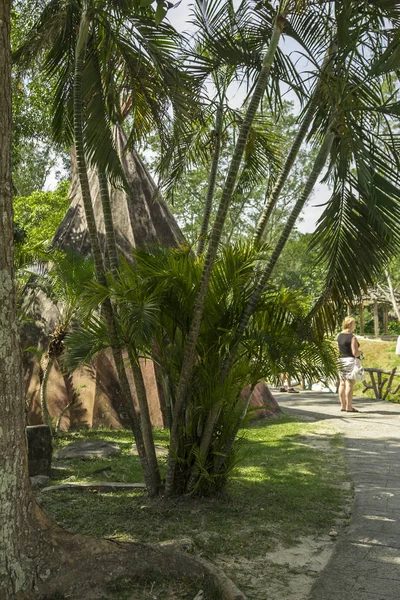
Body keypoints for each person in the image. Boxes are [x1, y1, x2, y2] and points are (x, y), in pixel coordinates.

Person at [337, 317, 362, 413]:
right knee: (350, 383)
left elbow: (338, 349)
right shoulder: (352, 337)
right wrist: (361, 352)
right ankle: (349, 406)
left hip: (341, 360)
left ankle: (342, 405)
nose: (355, 325)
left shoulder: (339, 336)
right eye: (354, 324)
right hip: (350, 361)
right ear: (350, 325)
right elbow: (355, 352)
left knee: (342, 383)